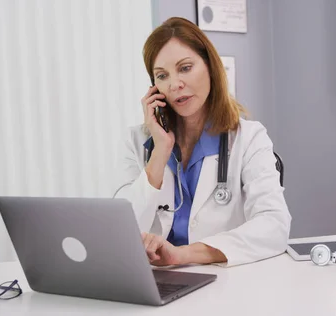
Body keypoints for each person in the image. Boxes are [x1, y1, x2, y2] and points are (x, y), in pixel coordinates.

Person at [113, 17, 291, 268]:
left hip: (226, 286)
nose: (175, 84)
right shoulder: (136, 141)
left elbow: (275, 227)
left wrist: (182, 255)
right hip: (152, 284)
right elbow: (120, 234)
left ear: (210, 67)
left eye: (185, 68)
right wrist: (160, 151)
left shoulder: (249, 138)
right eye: (162, 75)